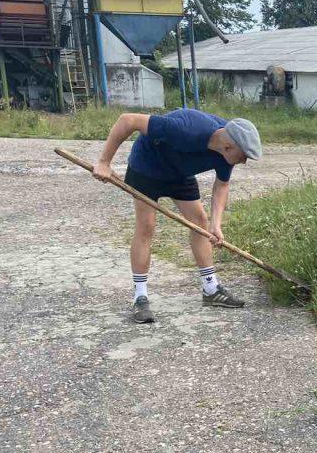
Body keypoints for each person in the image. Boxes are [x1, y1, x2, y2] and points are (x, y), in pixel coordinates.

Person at [92, 109, 262, 323]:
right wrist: (104, 162)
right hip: (147, 166)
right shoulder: (186, 129)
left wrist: (216, 225)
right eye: (244, 156)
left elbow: (222, 185)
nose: (244, 161)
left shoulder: (226, 150)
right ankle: (140, 297)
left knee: (200, 222)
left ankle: (210, 289)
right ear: (228, 146)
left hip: (179, 173)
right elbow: (128, 120)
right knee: (146, 226)